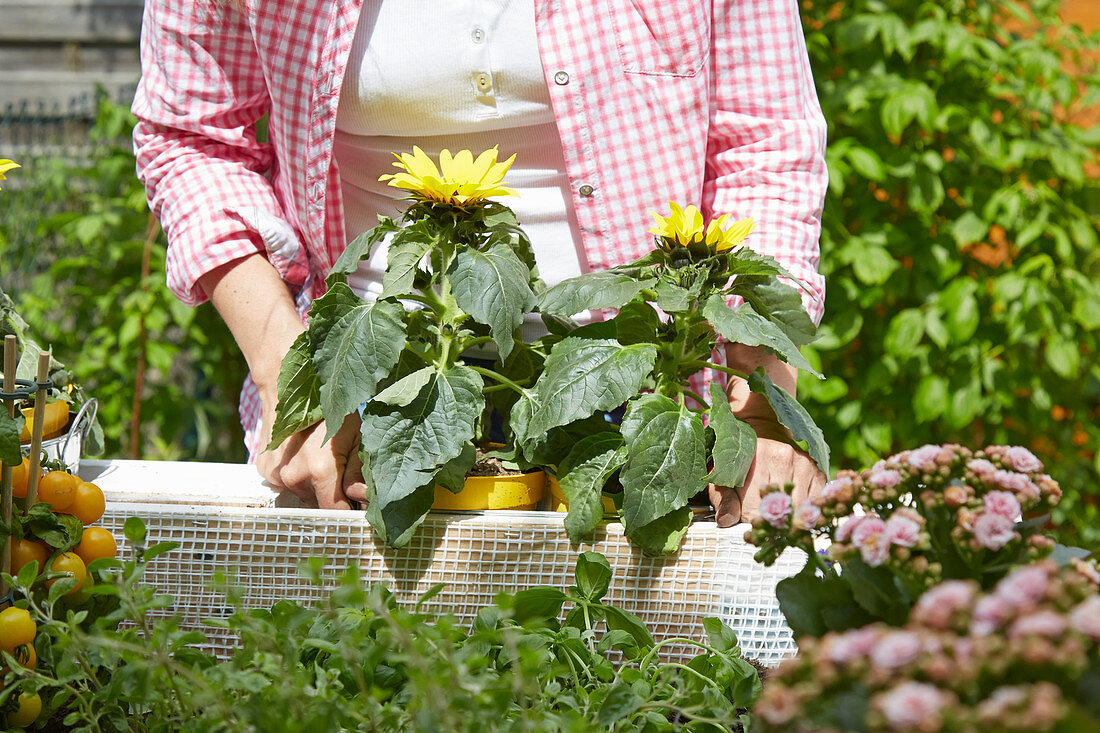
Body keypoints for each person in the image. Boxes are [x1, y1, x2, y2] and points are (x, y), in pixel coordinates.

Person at [132, 0, 828, 521]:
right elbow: (191, 137)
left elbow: (765, 145)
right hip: (374, 417)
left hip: (655, 404)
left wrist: (762, 413)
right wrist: (297, 374)